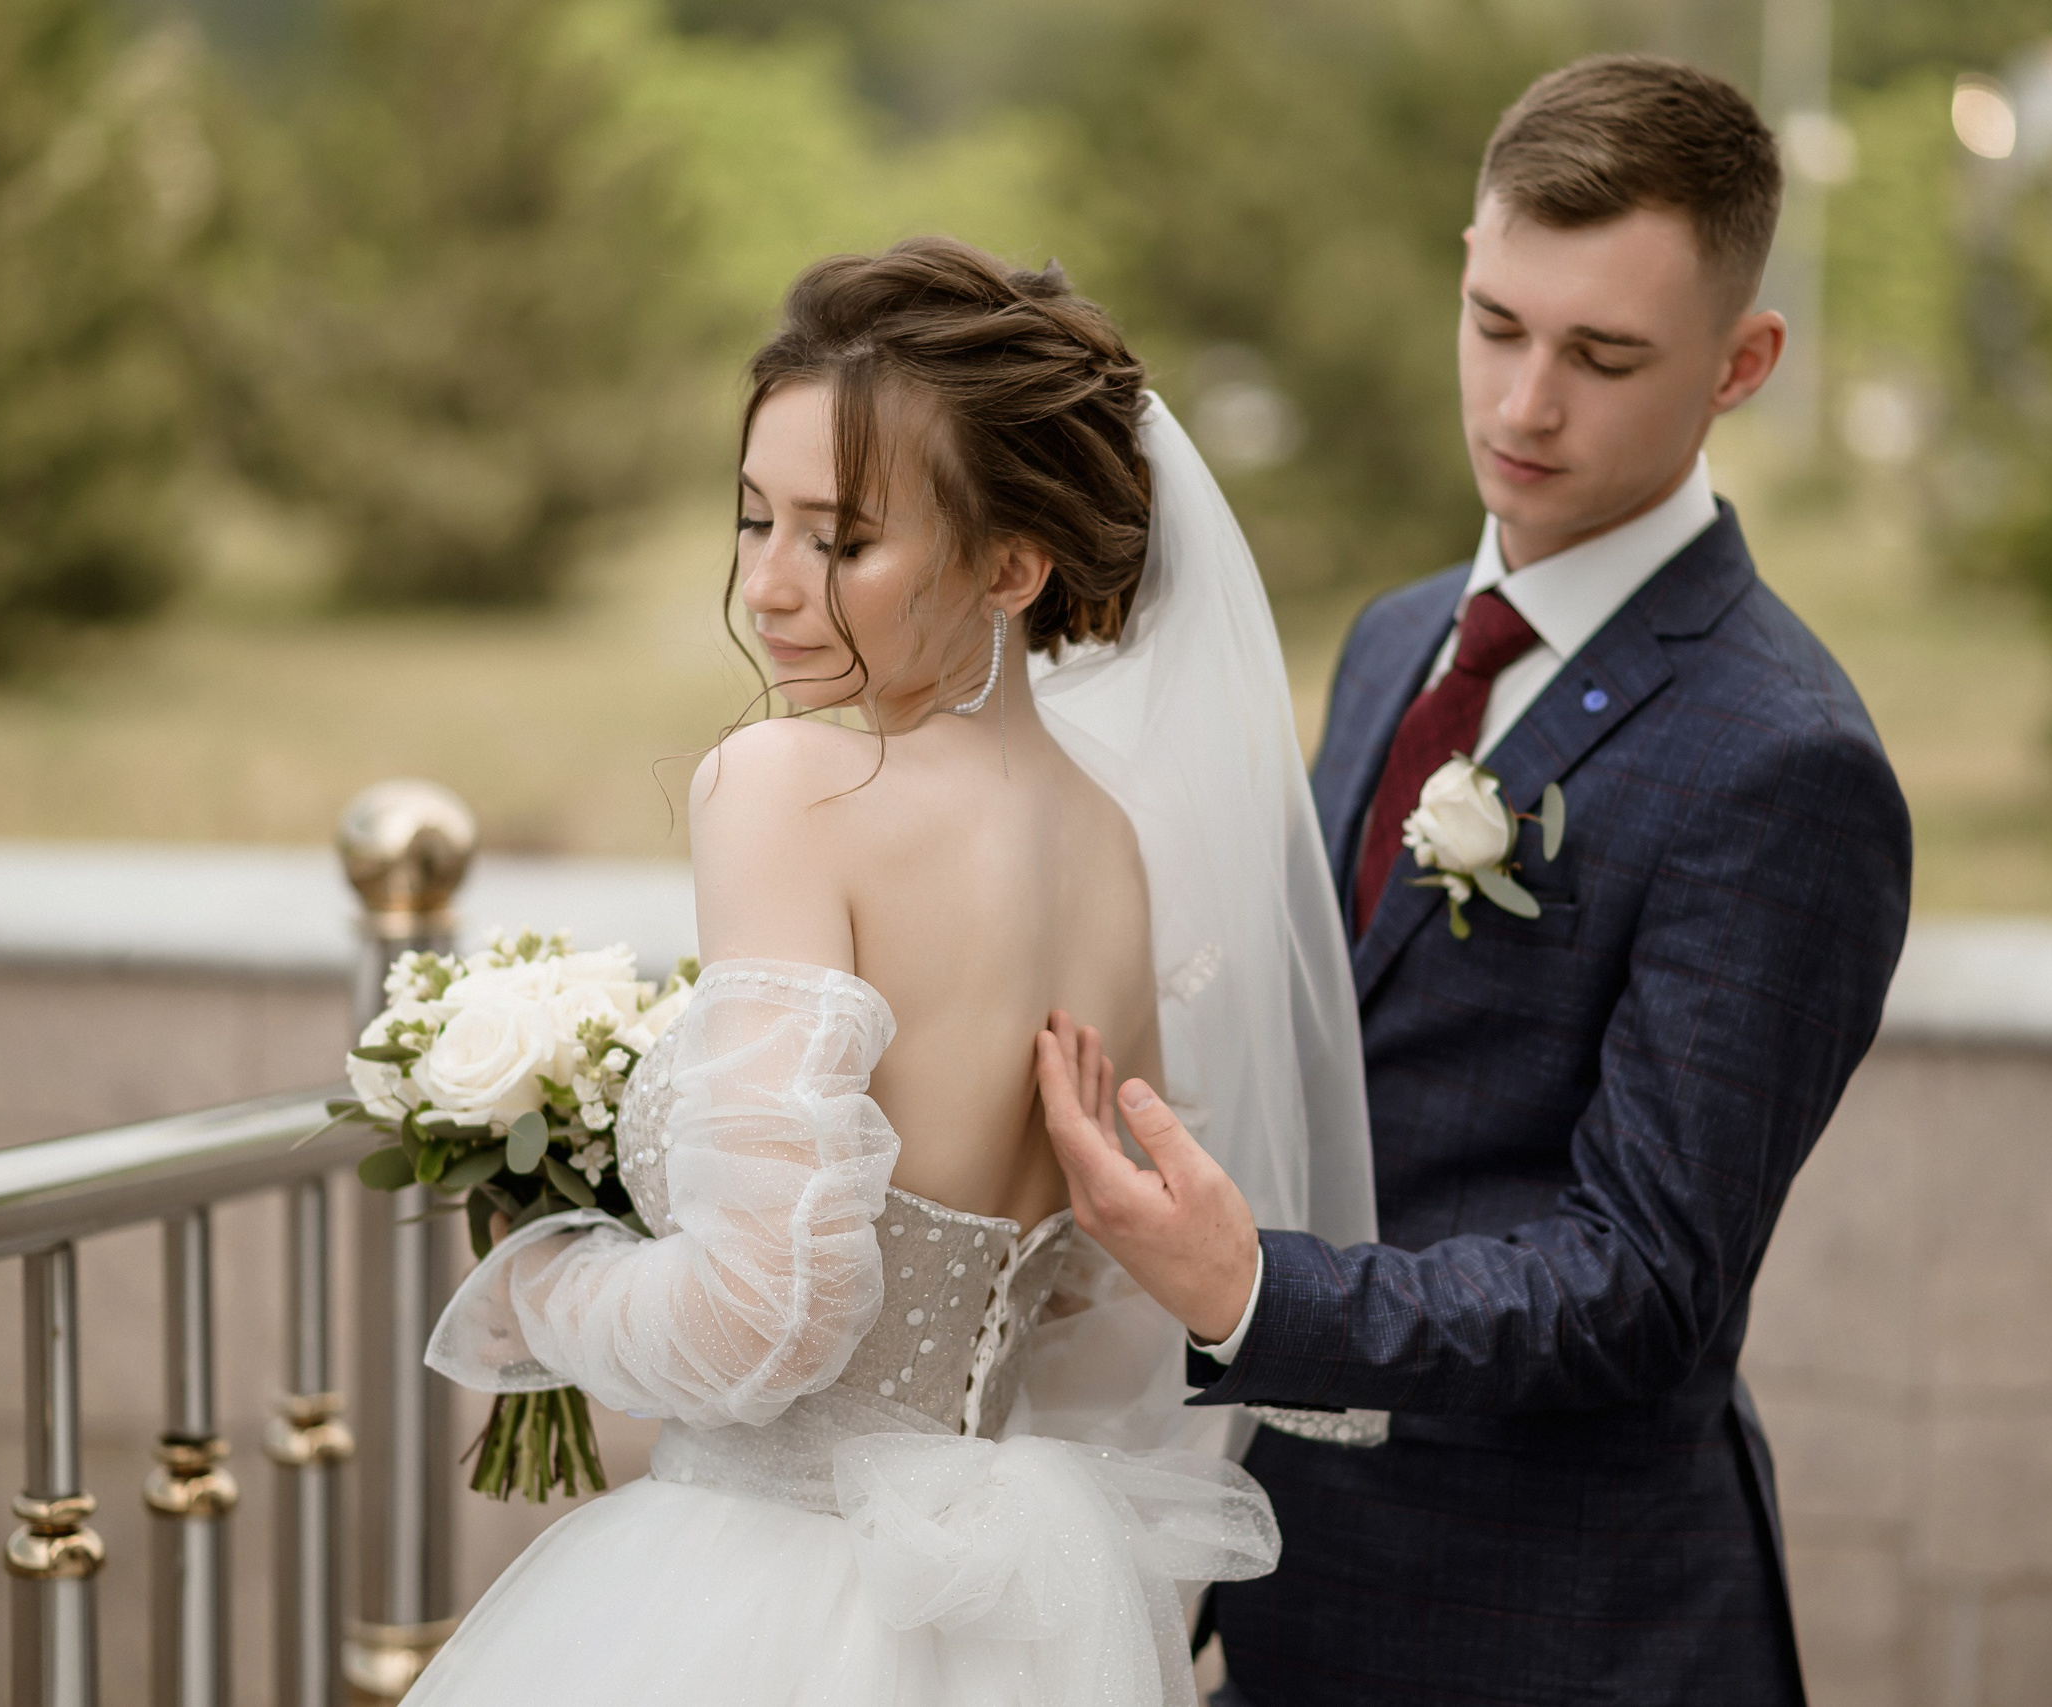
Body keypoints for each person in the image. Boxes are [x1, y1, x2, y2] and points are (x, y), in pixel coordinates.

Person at [1035, 55, 1913, 1706]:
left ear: (1745, 363)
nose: (1524, 405)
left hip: (1567, 1631)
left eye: (1603, 356)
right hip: (1295, 1589)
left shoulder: (1787, 762)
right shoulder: (1393, 639)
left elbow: (1645, 1283)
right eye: (1499, 324)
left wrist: (1252, 1290)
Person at [402, 236, 1379, 1707]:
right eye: (753, 522)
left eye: (841, 541)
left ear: (1010, 566)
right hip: (1008, 1605)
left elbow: (767, 1315)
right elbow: (1091, 1292)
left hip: (768, 1590)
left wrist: (539, 1290)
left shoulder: (785, 787)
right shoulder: (1113, 845)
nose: (774, 588)